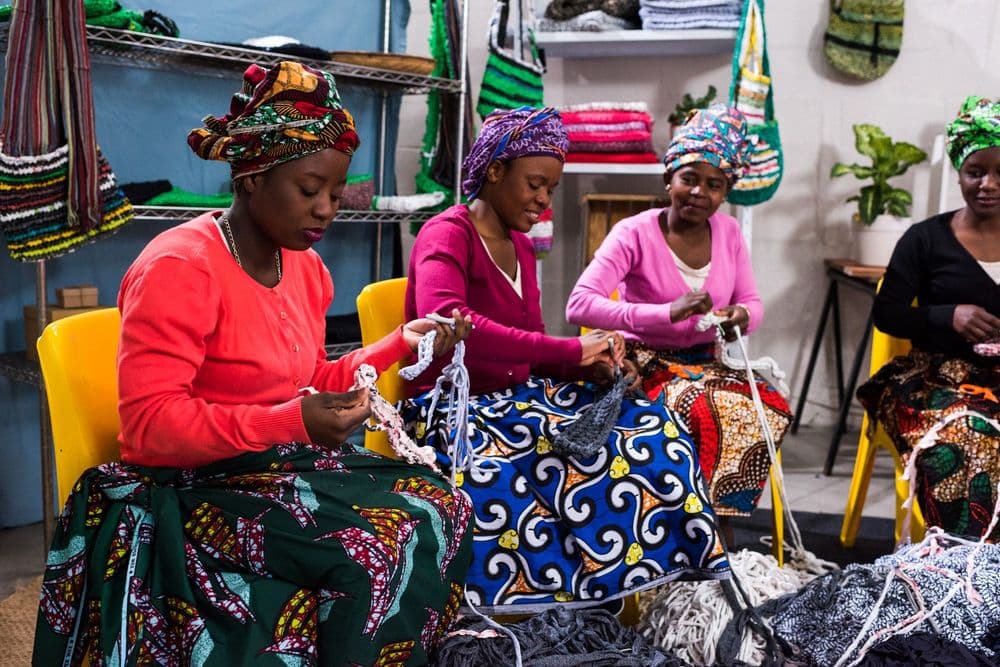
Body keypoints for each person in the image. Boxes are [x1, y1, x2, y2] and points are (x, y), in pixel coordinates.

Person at [33, 61, 474, 666]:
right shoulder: (181, 268)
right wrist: (293, 422)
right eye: (308, 189)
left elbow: (309, 380)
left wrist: (401, 341)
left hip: (263, 463)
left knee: (442, 503)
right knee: (373, 545)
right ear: (250, 177)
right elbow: (149, 431)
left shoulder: (305, 267)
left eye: (335, 194)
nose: (325, 209)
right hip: (186, 484)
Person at [403, 106, 728, 616]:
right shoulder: (447, 235)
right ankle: (546, 606)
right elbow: (450, 324)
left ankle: (617, 591)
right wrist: (572, 349)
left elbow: (528, 343)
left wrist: (587, 367)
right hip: (453, 411)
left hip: (510, 400)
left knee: (648, 427)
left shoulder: (519, 245)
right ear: (494, 171)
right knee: (558, 463)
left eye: (551, 189)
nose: (543, 200)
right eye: (535, 184)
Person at [566, 104, 792, 527]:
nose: (699, 193)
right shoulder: (633, 233)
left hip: (708, 361)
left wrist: (738, 315)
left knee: (769, 406)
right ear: (668, 178)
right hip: (645, 361)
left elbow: (754, 304)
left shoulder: (728, 234)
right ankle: (682, 527)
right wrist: (665, 313)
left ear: (727, 192)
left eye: (715, 184)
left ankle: (718, 526)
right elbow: (579, 304)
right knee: (701, 409)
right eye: (689, 178)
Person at [857, 95, 1000, 539]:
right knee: (968, 436)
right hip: (936, 379)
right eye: (976, 172)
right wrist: (946, 316)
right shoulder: (925, 240)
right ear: (959, 173)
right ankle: (963, 564)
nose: (989, 184)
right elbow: (888, 314)